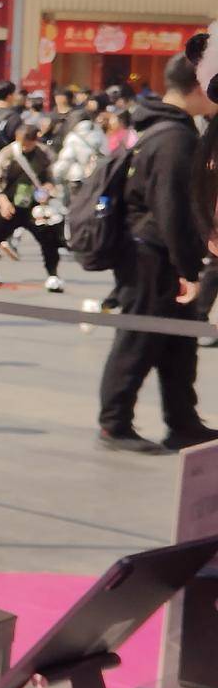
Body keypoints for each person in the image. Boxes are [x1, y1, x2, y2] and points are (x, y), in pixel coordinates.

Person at [97, 53, 218, 455]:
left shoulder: (160, 127)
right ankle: (115, 422)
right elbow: (171, 209)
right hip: (152, 254)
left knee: (177, 343)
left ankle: (183, 421)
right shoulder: (174, 138)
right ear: (201, 85)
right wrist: (190, 267)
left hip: (153, 250)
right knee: (138, 337)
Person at [0, 124, 64, 292]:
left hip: (35, 206)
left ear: (35, 140)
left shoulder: (44, 154)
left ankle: (52, 273)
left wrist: (49, 188)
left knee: (48, 239)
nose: (25, 147)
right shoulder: (7, 154)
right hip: (10, 203)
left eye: (28, 144)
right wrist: (3, 201)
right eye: (22, 143)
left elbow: (52, 177)